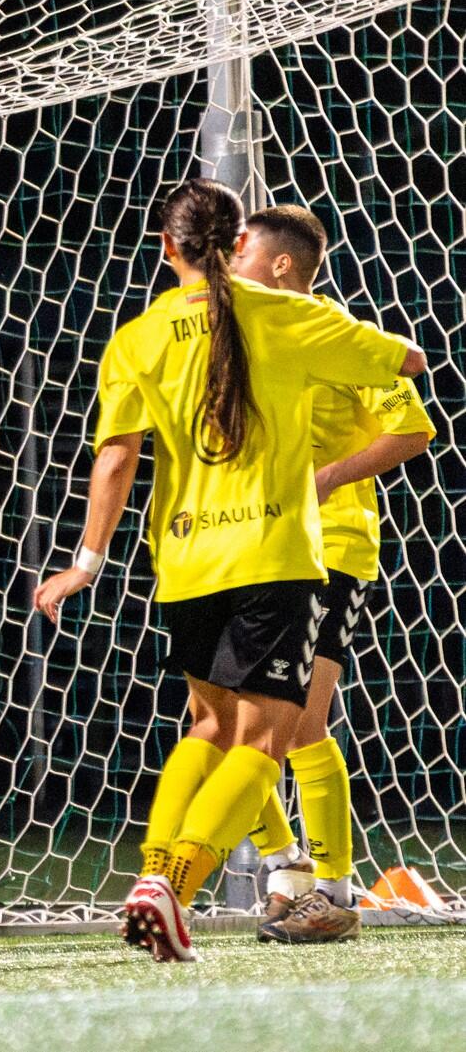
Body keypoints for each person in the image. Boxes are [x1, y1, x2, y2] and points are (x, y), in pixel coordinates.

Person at [34, 178, 425, 962]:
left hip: (182, 559)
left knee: (208, 726)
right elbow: (409, 360)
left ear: (166, 247)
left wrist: (84, 559)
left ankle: (200, 875)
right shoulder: (282, 318)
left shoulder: (136, 337)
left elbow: (114, 457)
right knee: (263, 741)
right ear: (232, 244)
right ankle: (181, 881)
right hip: (273, 554)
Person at [230, 204, 435, 943]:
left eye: (240, 251)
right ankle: (285, 866)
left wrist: (323, 481)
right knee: (222, 721)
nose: (228, 262)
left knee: (300, 721)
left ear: (281, 264)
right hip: (249, 546)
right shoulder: (241, 341)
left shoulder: (338, 336)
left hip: (329, 547)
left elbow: (412, 428)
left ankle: (333, 894)